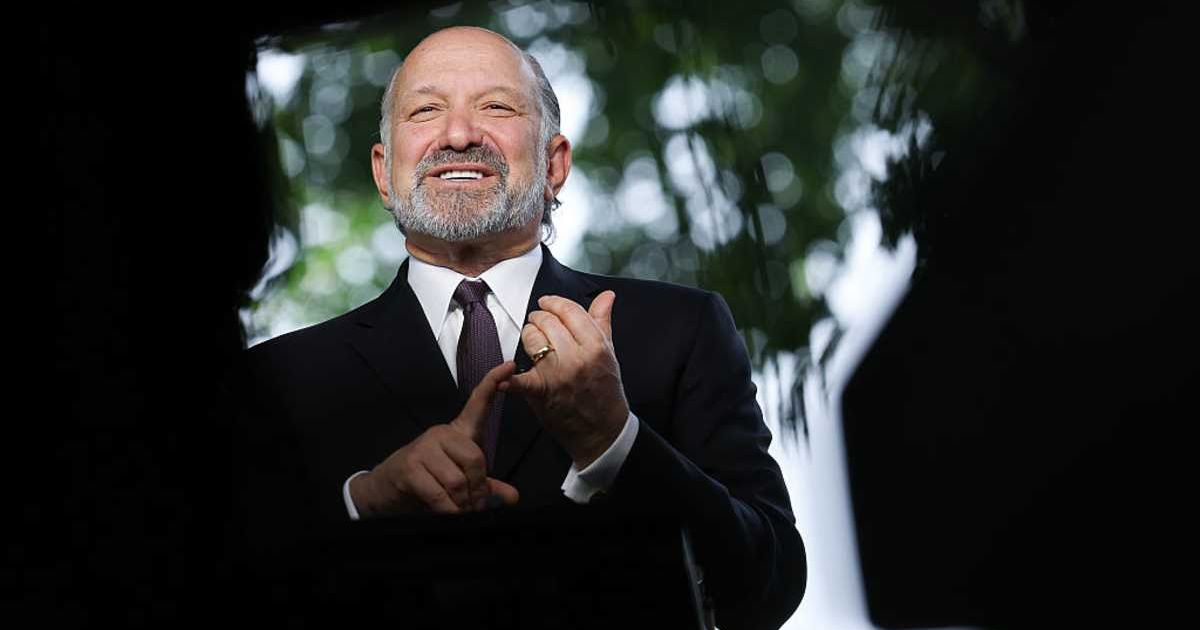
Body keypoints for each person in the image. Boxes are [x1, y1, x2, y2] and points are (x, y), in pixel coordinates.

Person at [236, 25, 805, 629]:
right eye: (426, 111)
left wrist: (616, 444)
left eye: (496, 107)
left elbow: (769, 586)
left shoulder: (681, 331)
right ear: (383, 171)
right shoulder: (281, 379)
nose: (458, 136)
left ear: (554, 164)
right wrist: (362, 503)